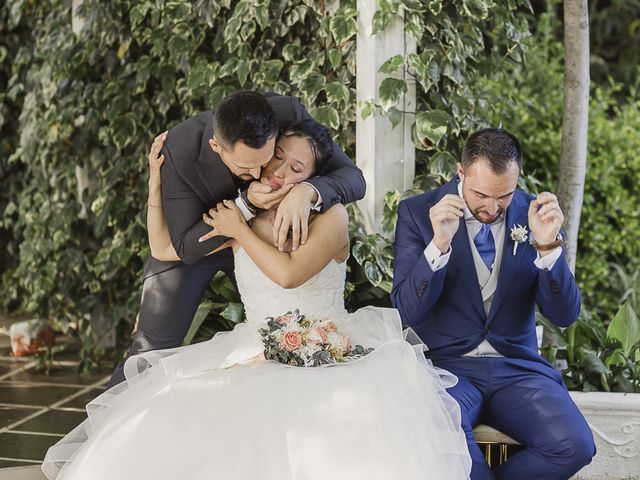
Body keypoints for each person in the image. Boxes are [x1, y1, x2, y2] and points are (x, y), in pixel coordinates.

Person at [42, 121, 471, 480]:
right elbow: (165, 248)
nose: (280, 171)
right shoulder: (240, 211)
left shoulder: (332, 218)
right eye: (277, 156)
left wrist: (240, 230)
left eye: (296, 167)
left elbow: (289, 275)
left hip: (328, 349)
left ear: (314, 178)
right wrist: (156, 182)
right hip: (255, 346)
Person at [107, 90, 366, 387]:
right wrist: (245, 207)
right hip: (205, 231)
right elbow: (178, 247)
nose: (259, 173)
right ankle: (104, 430)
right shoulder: (179, 149)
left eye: (267, 158)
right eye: (246, 167)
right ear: (217, 147)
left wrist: (306, 191)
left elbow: (352, 177)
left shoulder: (287, 116)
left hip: (267, 235)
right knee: (150, 346)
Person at [391, 128, 596, 479]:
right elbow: (407, 311)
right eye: (481, 194)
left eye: (504, 196)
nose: (491, 207)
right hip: (446, 368)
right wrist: (438, 246)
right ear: (460, 172)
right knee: (443, 442)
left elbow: (564, 315)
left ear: (517, 179)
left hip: (517, 370)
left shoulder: (536, 216)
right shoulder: (417, 212)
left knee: (575, 444)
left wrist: (548, 249)